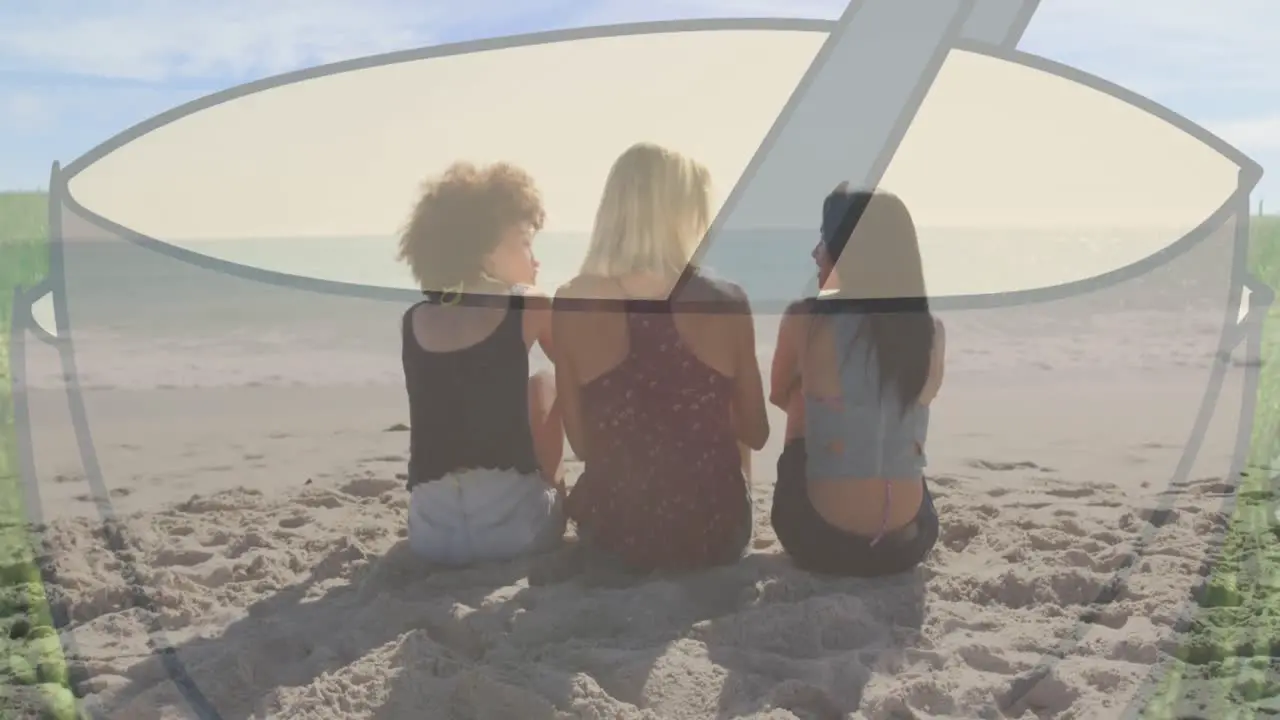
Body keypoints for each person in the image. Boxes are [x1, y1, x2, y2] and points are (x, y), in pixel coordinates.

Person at [550, 142, 769, 576]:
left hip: (616, 534)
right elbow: (756, 432)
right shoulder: (724, 299)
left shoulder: (572, 301)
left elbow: (581, 444)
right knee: (720, 404)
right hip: (713, 535)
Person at [769, 184, 945, 577]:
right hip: (909, 540)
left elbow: (779, 395)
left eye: (826, 239)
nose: (816, 252)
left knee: (802, 395)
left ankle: (837, 499)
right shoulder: (930, 330)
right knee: (893, 413)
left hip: (821, 541)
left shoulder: (806, 319)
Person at [396, 161, 566, 566]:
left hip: (430, 536)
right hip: (515, 531)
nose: (535, 258)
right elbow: (580, 367)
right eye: (524, 242)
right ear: (485, 254)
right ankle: (555, 487)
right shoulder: (528, 302)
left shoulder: (415, 319)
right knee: (545, 382)